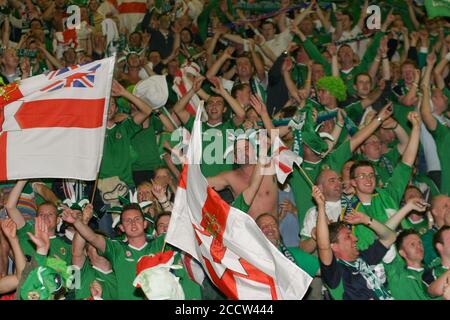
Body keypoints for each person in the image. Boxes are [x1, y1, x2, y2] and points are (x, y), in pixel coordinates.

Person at [314, 185, 397, 300]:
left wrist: (366, 220)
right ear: (334, 246)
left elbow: (390, 237)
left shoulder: (364, 258)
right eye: (348, 236)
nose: (355, 238)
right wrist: (321, 206)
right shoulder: (337, 274)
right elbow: (323, 246)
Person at [61, 203, 154, 300]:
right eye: (93, 245)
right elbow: (76, 252)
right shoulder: (83, 272)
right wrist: (82, 221)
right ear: (86, 252)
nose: (99, 247)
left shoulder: (119, 277)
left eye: (101, 244)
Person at [5, 180, 72, 265]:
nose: (45, 216)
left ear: (58, 220)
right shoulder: (27, 231)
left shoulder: (66, 247)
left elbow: (71, 275)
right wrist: (23, 180)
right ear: (36, 218)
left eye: (50, 214)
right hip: (24, 277)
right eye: (41, 214)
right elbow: (10, 207)